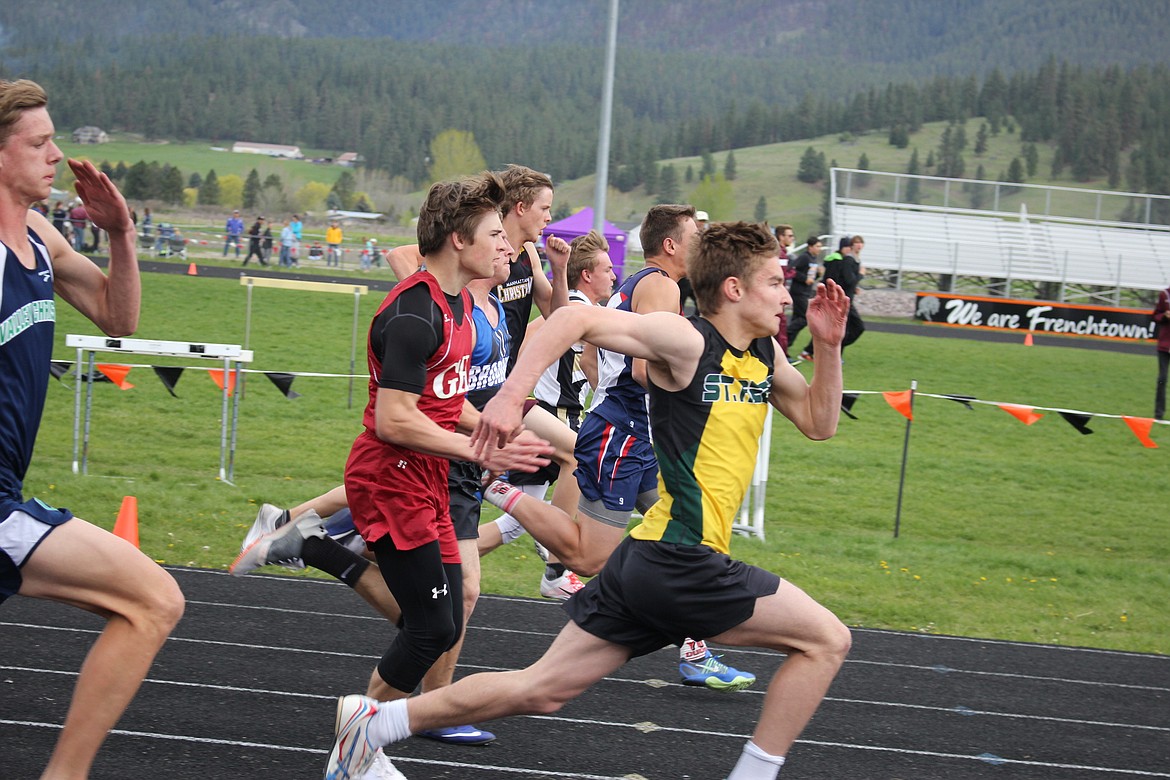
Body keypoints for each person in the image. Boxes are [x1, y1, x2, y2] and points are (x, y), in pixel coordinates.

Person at [324, 221, 854, 780]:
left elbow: (820, 423)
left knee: (541, 689)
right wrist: (508, 398)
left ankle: (371, 724)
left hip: (645, 562)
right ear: (734, 289)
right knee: (825, 640)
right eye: (775, 281)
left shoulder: (766, 356)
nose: (787, 293)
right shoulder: (689, 340)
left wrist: (828, 345)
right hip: (680, 556)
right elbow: (575, 318)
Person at [248, 173, 553, 779]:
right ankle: (356, 753)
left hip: (427, 477)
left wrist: (494, 430)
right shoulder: (414, 313)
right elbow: (394, 419)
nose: (508, 245)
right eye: (496, 233)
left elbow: (446, 399)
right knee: (432, 625)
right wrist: (479, 454)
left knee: (439, 620)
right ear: (459, 241)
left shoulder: (462, 305)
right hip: (390, 479)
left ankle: (321, 557)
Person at [485, 204, 758, 691]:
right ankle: (497, 487)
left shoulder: (637, 286)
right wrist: (700, 392)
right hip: (625, 433)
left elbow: (597, 354)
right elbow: (639, 368)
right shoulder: (661, 285)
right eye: (695, 236)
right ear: (671, 245)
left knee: (688, 543)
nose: (703, 245)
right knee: (587, 558)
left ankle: (695, 652)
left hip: (637, 434)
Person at [0, 78, 185, 779]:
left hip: (7, 489)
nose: (57, 156)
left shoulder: (41, 238)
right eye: (39, 143)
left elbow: (119, 318)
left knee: (151, 602)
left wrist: (120, 233)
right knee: (153, 599)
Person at [481, 229, 616, 598]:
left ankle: (445, 559)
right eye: (607, 269)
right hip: (550, 417)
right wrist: (512, 392)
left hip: (565, 415)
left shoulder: (593, 312)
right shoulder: (571, 307)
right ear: (587, 274)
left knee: (512, 525)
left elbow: (591, 361)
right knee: (582, 458)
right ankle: (556, 568)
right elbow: (524, 342)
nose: (614, 276)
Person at [799, 236, 864, 361]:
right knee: (852, 327)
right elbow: (836, 280)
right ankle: (823, 352)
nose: (850, 249)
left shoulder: (842, 259)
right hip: (838, 299)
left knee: (833, 327)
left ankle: (820, 352)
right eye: (849, 246)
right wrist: (859, 276)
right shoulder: (839, 261)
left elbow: (842, 280)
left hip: (839, 298)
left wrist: (852, 287)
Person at [785, 236, 821, 363]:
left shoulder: (813, 258)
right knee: (805, 318)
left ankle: (785, 347)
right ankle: (784, 334)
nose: (819, 249)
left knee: (797, 318)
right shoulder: (804, 257)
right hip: (798, 292)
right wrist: (804, 279)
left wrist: (818, 274)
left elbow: (811, 275)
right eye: (817, 246)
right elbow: (792, 269)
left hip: (806, 292)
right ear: (810, 246)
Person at [774, 224, 796, 358]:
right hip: (777, 295)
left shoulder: (782, 253)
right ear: (781, 237)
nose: (792, 238)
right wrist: (793, 273)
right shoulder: (780, 254)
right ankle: (783, 356)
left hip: (778, 293)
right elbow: (780, 275)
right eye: (789, 236)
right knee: (781, 324)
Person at [1154, 283, 1170, 420]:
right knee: (1162, 379)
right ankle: (1159, 414)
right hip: (1164, 345)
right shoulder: (1164, 294)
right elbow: (1156, 315)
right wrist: (1164, 316)